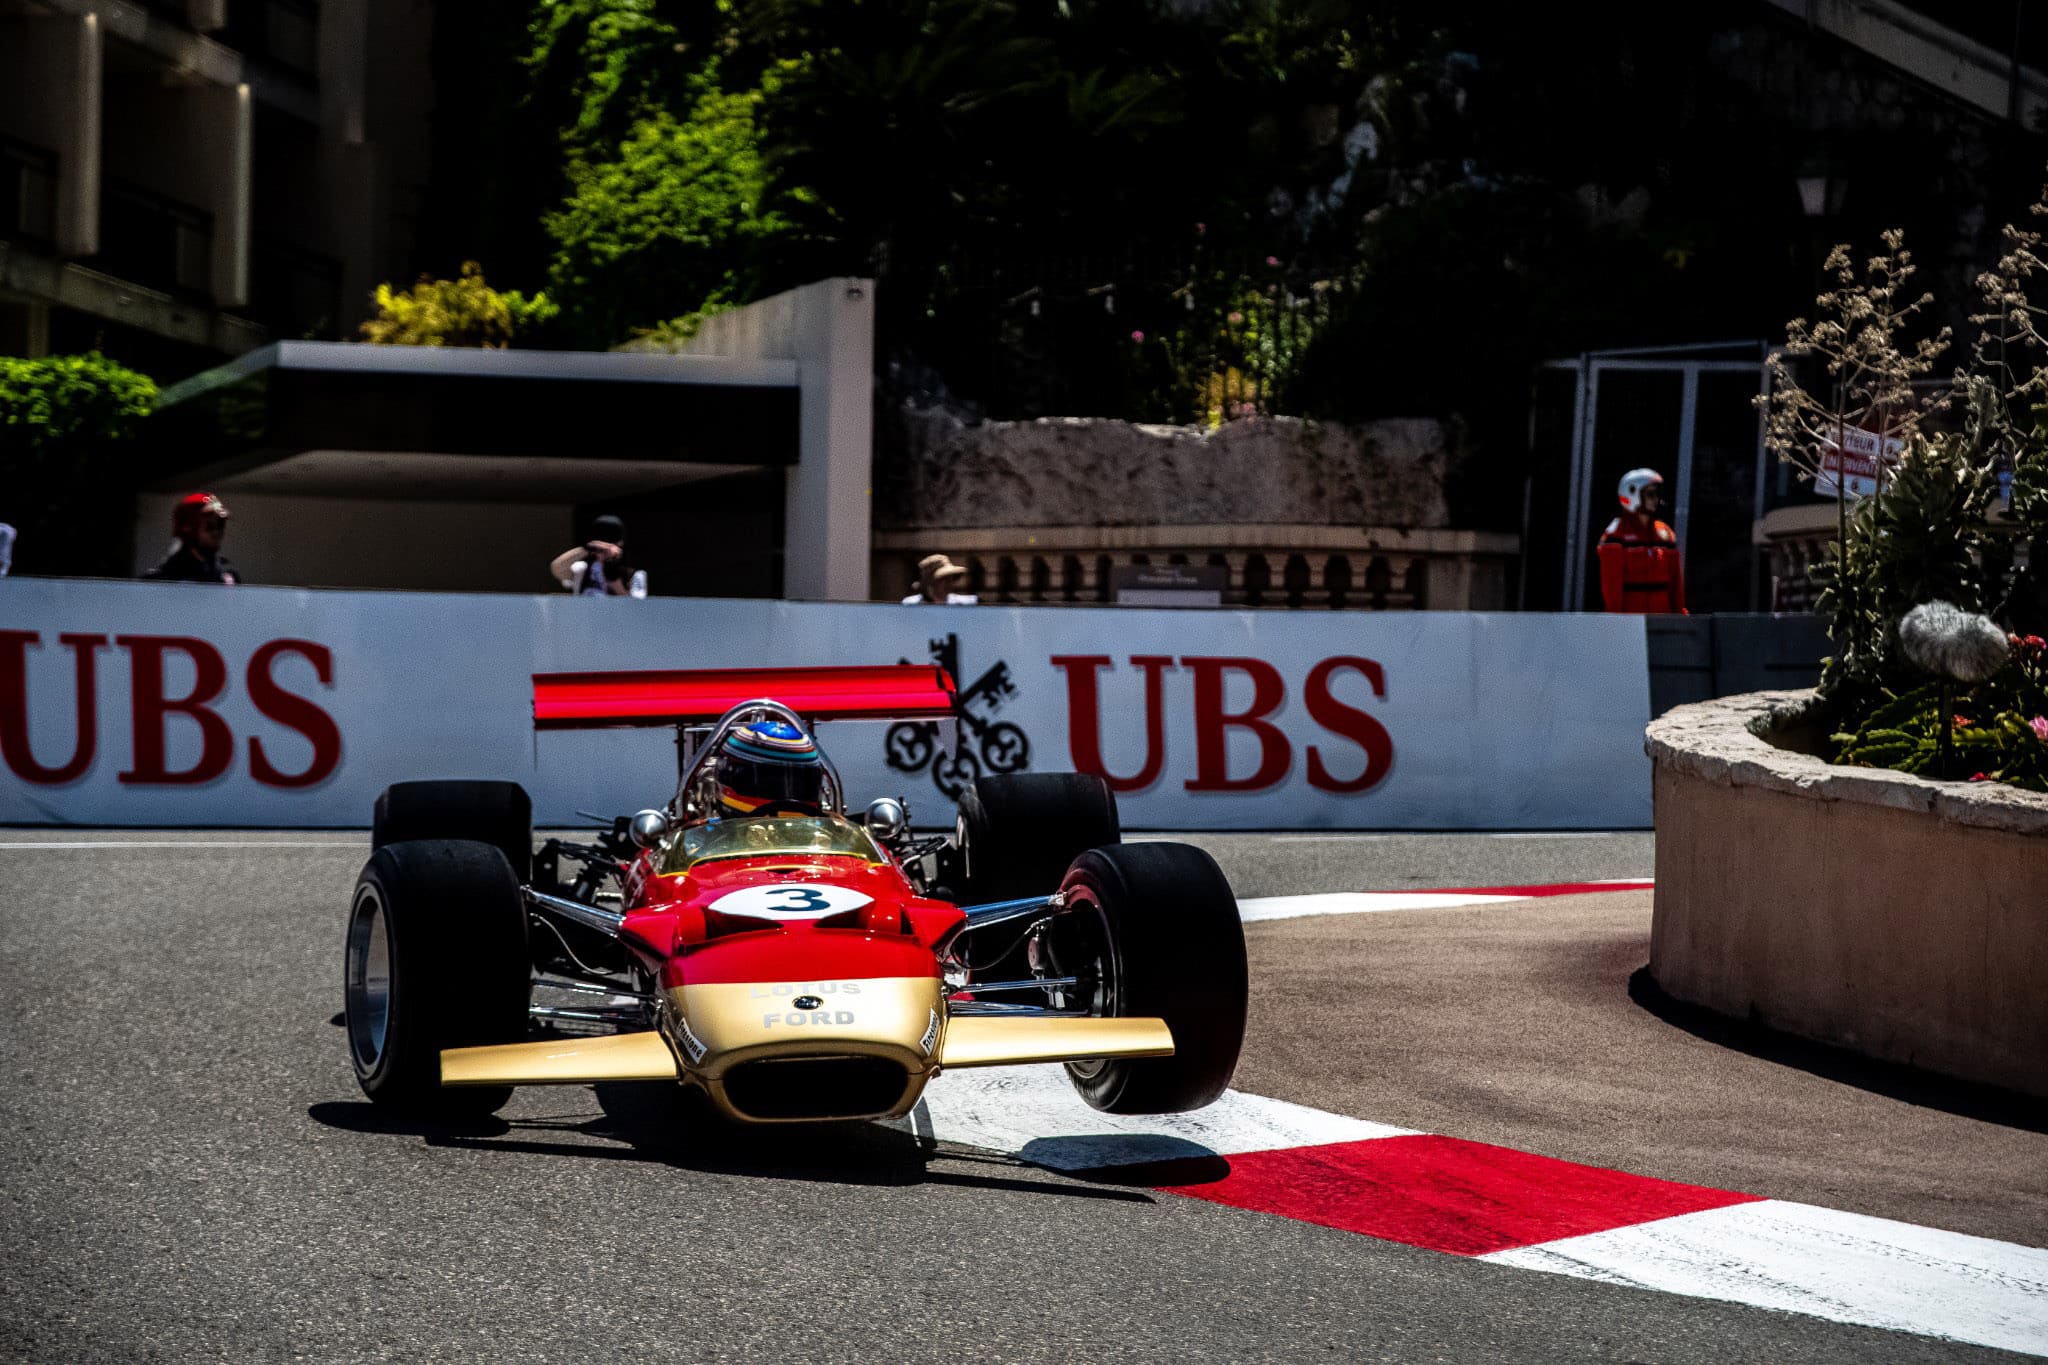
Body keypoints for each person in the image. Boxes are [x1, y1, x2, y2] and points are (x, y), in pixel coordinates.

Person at [1596, 467, 1685, 614]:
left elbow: (1676, 584)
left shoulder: (1665, 534)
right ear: (1632, 494)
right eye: (1650, 494)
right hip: (1631, 621)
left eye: (1657, 494)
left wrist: (1679, 616)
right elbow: (1611, 587)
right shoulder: (1616, 535)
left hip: (1662, 618)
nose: (1656, 500)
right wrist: (1615, 621)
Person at [710, 719, 827, 819]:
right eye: (771, 785)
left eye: (799, 785)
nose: (786, 799)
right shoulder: (706, 839)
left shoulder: (826, 839)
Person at [144, 493, 240, 584]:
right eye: (209, 526)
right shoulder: (164, 578)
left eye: (220, 524)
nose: (216, 532)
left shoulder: (227, 574)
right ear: (189, 529)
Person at [550, 514, 647, 597]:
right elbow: (557, 569)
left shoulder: (633, 574)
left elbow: (635, 608)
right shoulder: (583, 569)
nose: (604, 552)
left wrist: (614, 580)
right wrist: (586, 550)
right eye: (601, 548)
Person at [902, 553, 977, 605]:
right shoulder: (910, 605)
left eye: (951, 578)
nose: (949, 583)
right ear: (931, 583)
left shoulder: (964, 605)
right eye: (943, 579)